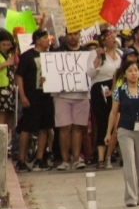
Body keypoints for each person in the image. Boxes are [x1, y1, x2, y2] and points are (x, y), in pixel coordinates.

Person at [105, 60, 139, 207]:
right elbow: (113, 113)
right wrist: (109, 133)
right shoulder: (119, 91)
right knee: (129, 163)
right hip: (125, 130)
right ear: (125, 74)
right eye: (130, 71)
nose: (134, 73)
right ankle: (130, 197)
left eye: (136, 70)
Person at [15, 30, 54, 172]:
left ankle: (40, 158)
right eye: (45, 37)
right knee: (28, 127)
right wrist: (23, 96)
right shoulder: (27, 56)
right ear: (38, 40)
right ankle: (21, 159)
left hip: (46, 96)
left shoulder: (50, 56)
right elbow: (19, 77)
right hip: (32, 96)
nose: (47, 40)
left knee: (45, 127)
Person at [54, 30, 90, 171]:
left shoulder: (87, 53)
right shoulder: (57, 52)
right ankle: (65, 160)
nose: (73, 37)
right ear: (66, 35)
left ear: (80, 35)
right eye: (70, 34)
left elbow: (92, 71)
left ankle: (76, 159)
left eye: (76, 34)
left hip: (81, 95)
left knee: (77, 128)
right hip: (62, 95)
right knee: (65, 128)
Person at [87, 30, 122, 169]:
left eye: (114, 36)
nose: (113, 39)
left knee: (115, 121)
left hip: (116, 87)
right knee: (103, 121)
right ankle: (101, 157)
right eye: (110, 37)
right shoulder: (95, 54)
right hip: (101, 88)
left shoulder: (119, 54)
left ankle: (111, 153)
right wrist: (99, 58)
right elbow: (90, 73)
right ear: (103, 40)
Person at [0, 30, 16, 128]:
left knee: (9, 116)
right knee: (2, 117)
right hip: (1, 88)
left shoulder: (9, 54)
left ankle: (6, 139)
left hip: (10, 88)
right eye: (3, 45)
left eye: (8, 45)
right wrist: (5, 64)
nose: (6, 47)